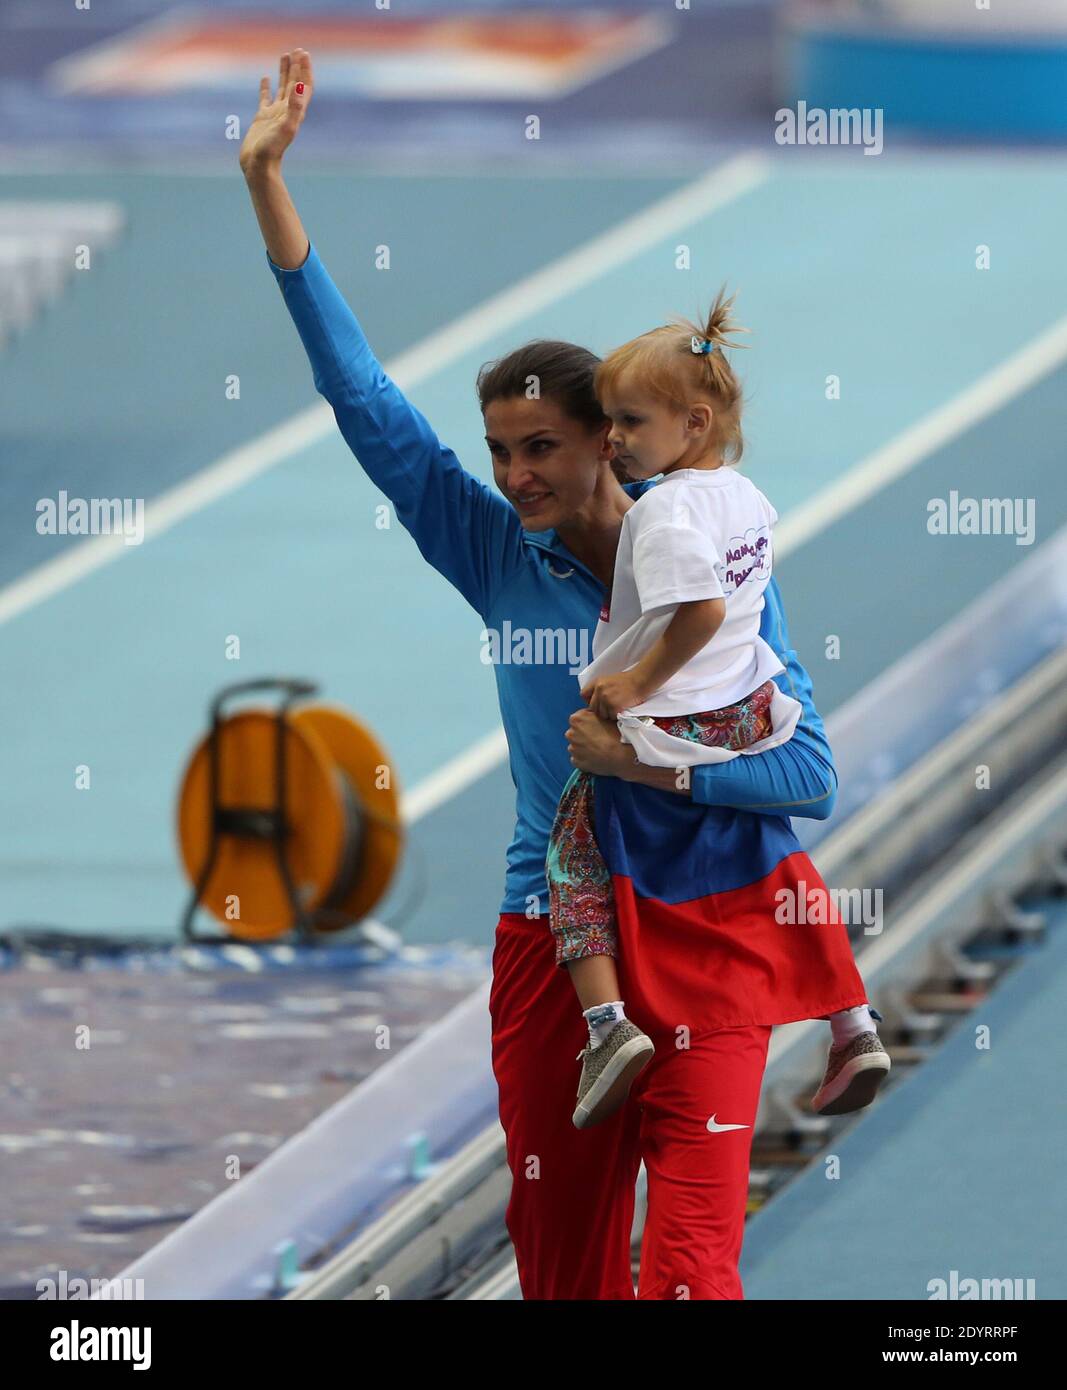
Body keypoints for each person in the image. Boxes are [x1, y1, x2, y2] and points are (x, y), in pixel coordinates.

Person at [240, 50, 882, 1300]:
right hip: (554, 949)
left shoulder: (703, 555)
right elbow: (362, 401)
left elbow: (806, 771)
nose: (515, 475)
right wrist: (269, 189)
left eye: (540, 447)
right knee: (564, 1278)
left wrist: (642, 759)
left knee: (691, 1275)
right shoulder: (491, 551)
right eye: (496, 451)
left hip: (706, 930)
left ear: (610, 437)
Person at [545, 298, 889, 1130]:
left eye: (629, 422)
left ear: (692, 422)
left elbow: (697, 610)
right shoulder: (740, 494)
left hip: (681, 715)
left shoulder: (663, 511)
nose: (613, 440)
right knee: (773, 853)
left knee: (572, 857)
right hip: (748, 707)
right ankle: (850, 1020)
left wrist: (632, 686)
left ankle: (606, 1026)